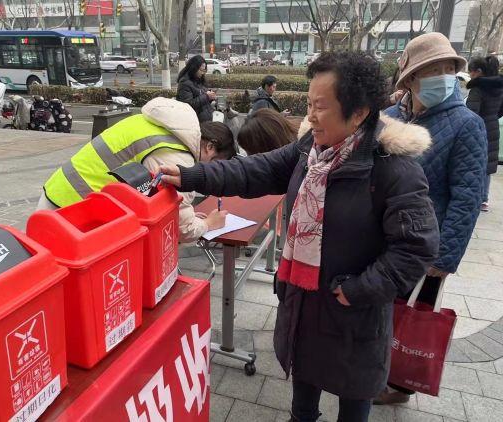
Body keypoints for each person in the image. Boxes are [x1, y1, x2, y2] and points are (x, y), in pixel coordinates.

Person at [158, 51, 439, 422]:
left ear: (358, 114)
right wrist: (195, 175)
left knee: (353, 406)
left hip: (354, 316)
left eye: (320, 107)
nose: (309, 116)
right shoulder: (311, 150)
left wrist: (357, 290)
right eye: (308, 103)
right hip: (305, 308)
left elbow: (416, 248)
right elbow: (255, 170)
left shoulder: (393, 171)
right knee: (302, 405)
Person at [380, 32, 487, 405]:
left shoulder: (466, 124)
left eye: (447, 68)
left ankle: (400, 385)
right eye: (431, 69)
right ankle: (377, 371)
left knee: (413, 316)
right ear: (409, 79)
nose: (442, 75)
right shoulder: (389, 118)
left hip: (427, 243)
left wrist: (444, 257)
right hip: (382, 238)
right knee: (384, 310)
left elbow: (468, 196)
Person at [39, 97, 236, 242]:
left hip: (61, 193)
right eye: (215, 164)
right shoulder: (177, 155)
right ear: (210, 147)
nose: (210, 172)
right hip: (74, 211)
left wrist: (192, 215)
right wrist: (210, 224)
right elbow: (182, 228)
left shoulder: (158, 124)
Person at [466, 55, 503, 212]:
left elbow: (471, 112)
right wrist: (492, 118)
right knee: (487, 164)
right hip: (493, 127)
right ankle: (484, 198)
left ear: (478, 71)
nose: (470, 75)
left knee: (473, 161)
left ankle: (474, 196)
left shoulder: (477, 89)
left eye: (470, 72)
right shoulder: (499, 87)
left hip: (478, 128)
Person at [176, 55, 217, 122]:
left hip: (205, 120)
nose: (203, 73)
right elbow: (188, 104)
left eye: (204, 70)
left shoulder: (198, 79)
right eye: (201, 70)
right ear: (194, 68)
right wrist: (206, 96)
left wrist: (210, 97)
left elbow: (201, 97)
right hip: (194, 122)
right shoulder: (184, 83)